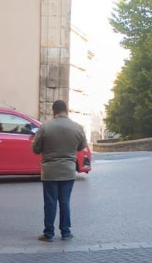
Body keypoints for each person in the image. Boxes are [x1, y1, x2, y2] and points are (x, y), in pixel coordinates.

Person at [31, 100, 87, 242]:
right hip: (68, 171)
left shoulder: (45, 127)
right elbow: (81, 147)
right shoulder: (78, 128)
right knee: (65, 202)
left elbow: (35, 149)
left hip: (50, 171)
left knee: (50, 202)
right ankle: (66, 232)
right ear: (66, 110)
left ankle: (48, 234)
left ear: (53, 111)